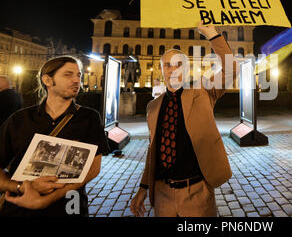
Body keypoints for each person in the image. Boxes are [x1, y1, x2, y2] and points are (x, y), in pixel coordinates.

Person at [130, 21, 237, 217]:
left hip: (197, 192)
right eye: (167, 65)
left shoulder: (203, 92)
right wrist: (143, 188)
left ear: (187, 68)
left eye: (178, 64)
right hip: (162, 195)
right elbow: (153, 149)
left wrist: (212, 34)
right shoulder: (153, 107)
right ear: (161, 69)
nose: (173, 70)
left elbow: (231, 70)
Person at [0, 56, 109, 216]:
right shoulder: (19, 119)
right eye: (68, 74)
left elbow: (93, 168)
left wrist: (47, 199)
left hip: (70, 207)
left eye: (78, 75)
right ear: (47, 80)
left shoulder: (89, 117)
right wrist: (23, 187)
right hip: (20, 207)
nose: (76, 80)